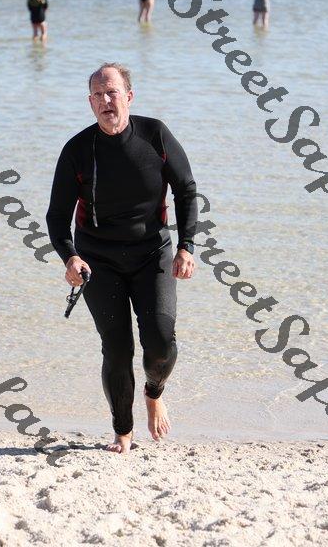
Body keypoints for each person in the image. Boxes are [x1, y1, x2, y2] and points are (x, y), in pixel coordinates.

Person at [46, 63, 197, 455]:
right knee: (117, 349)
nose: (105, 101)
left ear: (129, 96)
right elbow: (57, 216)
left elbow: (185, 189)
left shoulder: (155, 135)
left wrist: (186, 247)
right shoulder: (78, 150)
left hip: (153, 252)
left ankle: (154, 392)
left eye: (111, 92)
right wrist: (70, 257)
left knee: (160, 343)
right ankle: (123, 432)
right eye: (97, 95)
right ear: (90, 102)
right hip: (99, 260)